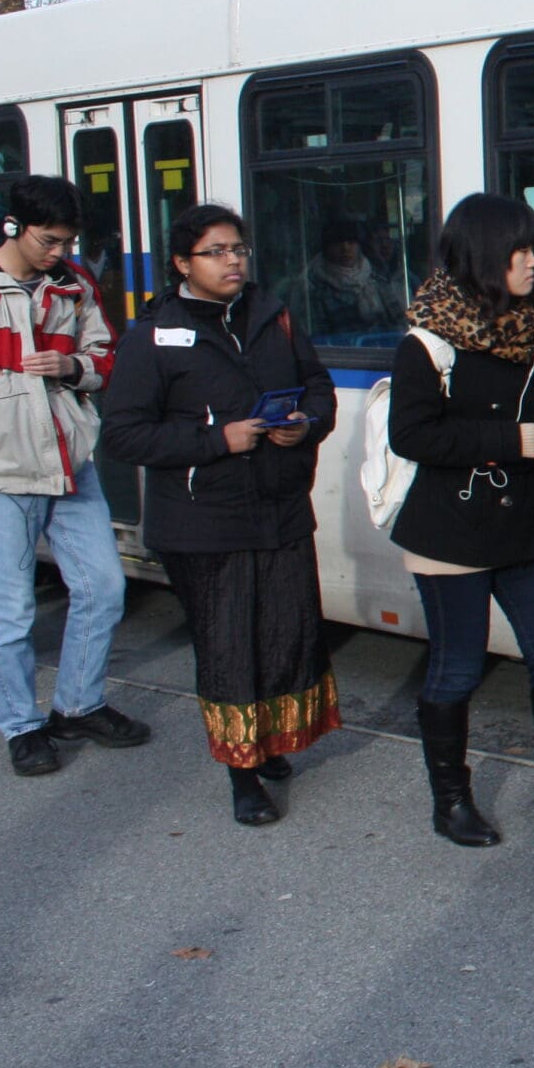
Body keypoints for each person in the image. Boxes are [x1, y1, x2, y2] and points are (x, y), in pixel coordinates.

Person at [100, 205, 339, 825]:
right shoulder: (154, 334)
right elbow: (124, 436)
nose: (234, 261)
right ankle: (242, 773)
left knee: (287, 634)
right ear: (183, 264)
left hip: (280, 507)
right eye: (218, 252)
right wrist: (216, 441)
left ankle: (270, 743)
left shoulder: (274, 315)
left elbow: (317, 387)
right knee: (230, 646)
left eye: (239, 249)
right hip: (203, 521)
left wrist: (304, 424)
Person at [385, 193, 534, 848]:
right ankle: (450, 800)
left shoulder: (529, 327)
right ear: (485, 255)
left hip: (521, 523)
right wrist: (511, 440)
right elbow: (412, 434)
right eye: (522, 250)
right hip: (449, 530)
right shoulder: (426, 342)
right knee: (458, 667)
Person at [0, 174, 146, 776]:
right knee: (9, 611)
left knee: (105, 587)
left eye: (68, 241)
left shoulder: (74, 283)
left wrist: (73, 366)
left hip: (67, 461)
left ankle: (78, 705)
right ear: (15, 227)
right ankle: (22, 726)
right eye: (50, 241)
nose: (60, 252)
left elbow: (107, 358)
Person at [302, 215, 405, 340]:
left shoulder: (377, 280)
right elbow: (318, 336)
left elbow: (400, 322)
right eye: (338, 243)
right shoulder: (315, 289)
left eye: (351, 242)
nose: (346, 248)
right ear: (327, 248)